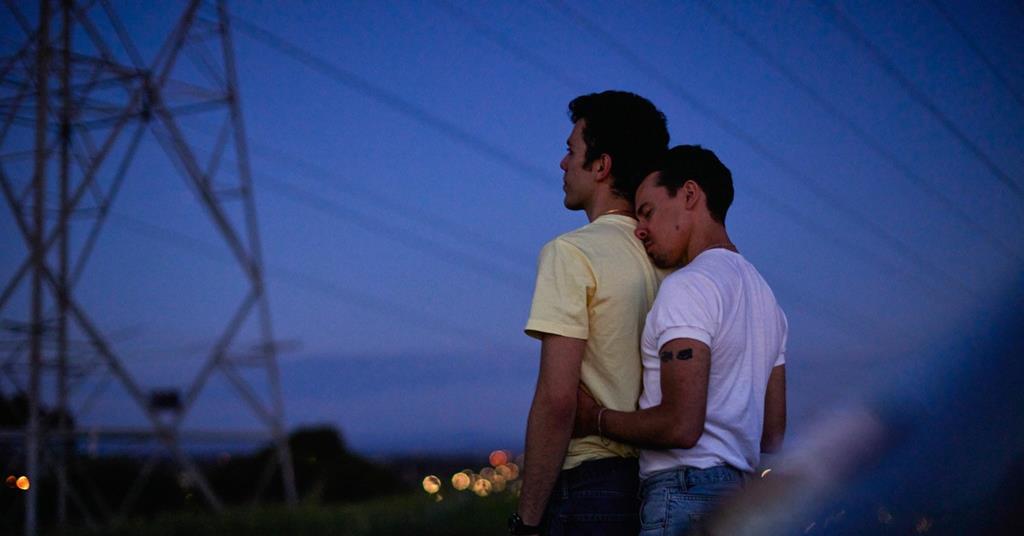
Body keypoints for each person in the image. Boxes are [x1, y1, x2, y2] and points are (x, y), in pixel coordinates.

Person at [574, 145, 788, 535]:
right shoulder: (767, 300)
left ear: (689, 194)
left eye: (648, 212)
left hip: (684, 495)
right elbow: (772, 434)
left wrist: (594, 418)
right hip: (740, 501)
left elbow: (680, 427)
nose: (640, 229)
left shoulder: (688, 286)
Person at [509, 90, 669, 536]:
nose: (562, 163)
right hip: (658, 486)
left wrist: (527, 523)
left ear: (601, 166)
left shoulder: (571, 253)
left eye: (571, 150)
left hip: (589, 486)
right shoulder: (671, 260)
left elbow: (557, 400)